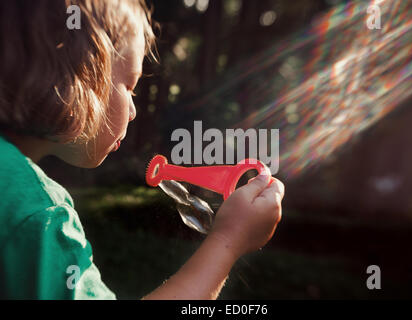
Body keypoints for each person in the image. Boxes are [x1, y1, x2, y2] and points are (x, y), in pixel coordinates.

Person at [0, 0, 284, 300]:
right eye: (130, 85)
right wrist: (228, 242)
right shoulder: (36, 212)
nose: (134, 110)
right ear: (80, 72)